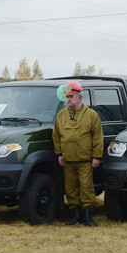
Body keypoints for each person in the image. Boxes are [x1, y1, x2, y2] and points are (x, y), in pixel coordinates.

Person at [52, 81, 103, 227]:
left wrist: (96, 156)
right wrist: (59, 154)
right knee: (71, 189)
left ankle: (88, 217)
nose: (68, 99)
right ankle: (76, 216)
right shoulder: (61, 116)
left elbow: (97, 137)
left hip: (85, 160)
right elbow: (56, 135)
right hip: (68, 160)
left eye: (71, 96)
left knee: (86, 188)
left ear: (79, 98)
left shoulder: (92, 115)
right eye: (67, 97)